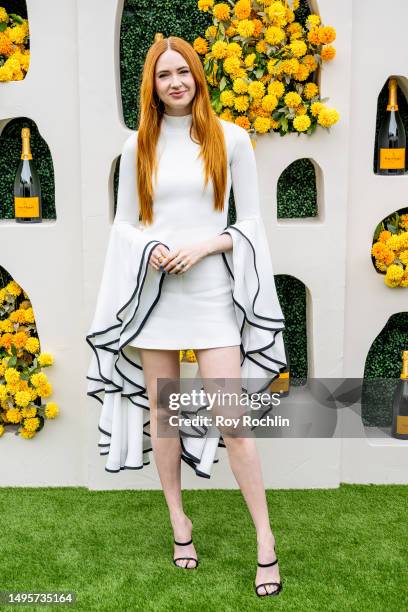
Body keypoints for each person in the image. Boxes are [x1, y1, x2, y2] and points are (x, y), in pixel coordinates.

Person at [86, 35, 287, 597]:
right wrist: (148, 249)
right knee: (165, 416)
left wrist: (203, 246)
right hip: (157, 297)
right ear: (150, 84)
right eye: (163, 75)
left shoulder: (232, 139)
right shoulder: (137, 146)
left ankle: (266, 541)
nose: (175, 82)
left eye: (183, 72)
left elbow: (250, 225)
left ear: (198, 76)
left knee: (235, 424)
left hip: (212, 293)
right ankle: (180, 523)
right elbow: (125, 223)